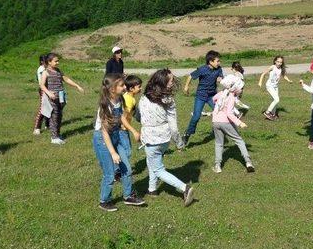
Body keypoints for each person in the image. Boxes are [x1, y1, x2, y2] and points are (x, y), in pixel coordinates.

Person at [138, 69, 195, 206]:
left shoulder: (143, 98)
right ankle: (152, 189)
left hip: (151, 139)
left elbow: (139, 117)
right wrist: (179, 144)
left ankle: (184, 188)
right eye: (170, 80)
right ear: (162, 81)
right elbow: (174, 128)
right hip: (164, 140)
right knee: (152, 162)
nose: (172, 83)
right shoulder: (169, 100)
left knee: (158, 169)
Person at [93, 73, 145, 212]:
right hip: (103, 140)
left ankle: (128, 196)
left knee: (126, 168)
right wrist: (113, 152)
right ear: (112, 89)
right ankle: (104, 201)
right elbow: (104, 131)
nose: (124, 87)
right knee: (110, 173)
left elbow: (121, 117)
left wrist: (133, 131)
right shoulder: (105, 105)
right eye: (121, 85)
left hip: (115, 135)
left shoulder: (119, 99)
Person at [39, 53, 85, 144]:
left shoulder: (58, 71)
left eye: (58, 61)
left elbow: (66, 79)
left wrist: (77, 86)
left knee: (59, 116)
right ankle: (54, 137)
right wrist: (48, 93)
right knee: (54, 116)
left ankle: (57, 134)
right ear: (49, 62)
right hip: (52, 98)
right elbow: (41, 85)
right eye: (56, 61)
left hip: (60, 97)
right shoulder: (45, 72)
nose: (58, 62)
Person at [211, 76, 254, 173]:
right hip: (226, 122)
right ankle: (248, 162)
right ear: (235, 88)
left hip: (215, 122)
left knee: (219, 143)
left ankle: (217, 166)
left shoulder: (221, 93)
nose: (242, 90)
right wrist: (240, 123)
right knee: (239, 141)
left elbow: (213, 99)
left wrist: (220, 105)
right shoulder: (231, 97)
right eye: (241, 88)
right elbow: (229, 113)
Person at [182, 50, 223, 145]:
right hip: (201, 96)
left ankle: (217, 130)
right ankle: (187, 134)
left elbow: (221, 77)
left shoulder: (219, 69)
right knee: (196, 116)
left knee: (219, 113)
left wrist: (220, 79)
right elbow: (191, 76)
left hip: (212, 96)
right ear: (211, 62)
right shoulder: (202, 69)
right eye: (217, 61)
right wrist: (186, 86)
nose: (219, 63)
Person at [258, 56, 292, 120]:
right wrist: (260, 82)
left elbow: (283, 75)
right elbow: (263, 74)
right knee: (277, 99)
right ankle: (267, 112)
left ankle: (273, 114)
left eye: (280, 62)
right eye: (278, 62)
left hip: (275, 87)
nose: (279, 63)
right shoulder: (272, 67)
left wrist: (288, 80)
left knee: (276, 101)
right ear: (275, 61)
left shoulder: (281, 69)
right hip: (269, 86)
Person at [33, 54, 50, 135]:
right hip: (43, 90)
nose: (47, 62)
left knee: (49, 107)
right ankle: (37, 128)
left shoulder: (46, 68)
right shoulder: (41, 69)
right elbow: (42, 83)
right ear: (42, 62)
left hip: (48, 90)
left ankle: (48, 125)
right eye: (46, 61)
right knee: (42, 108)